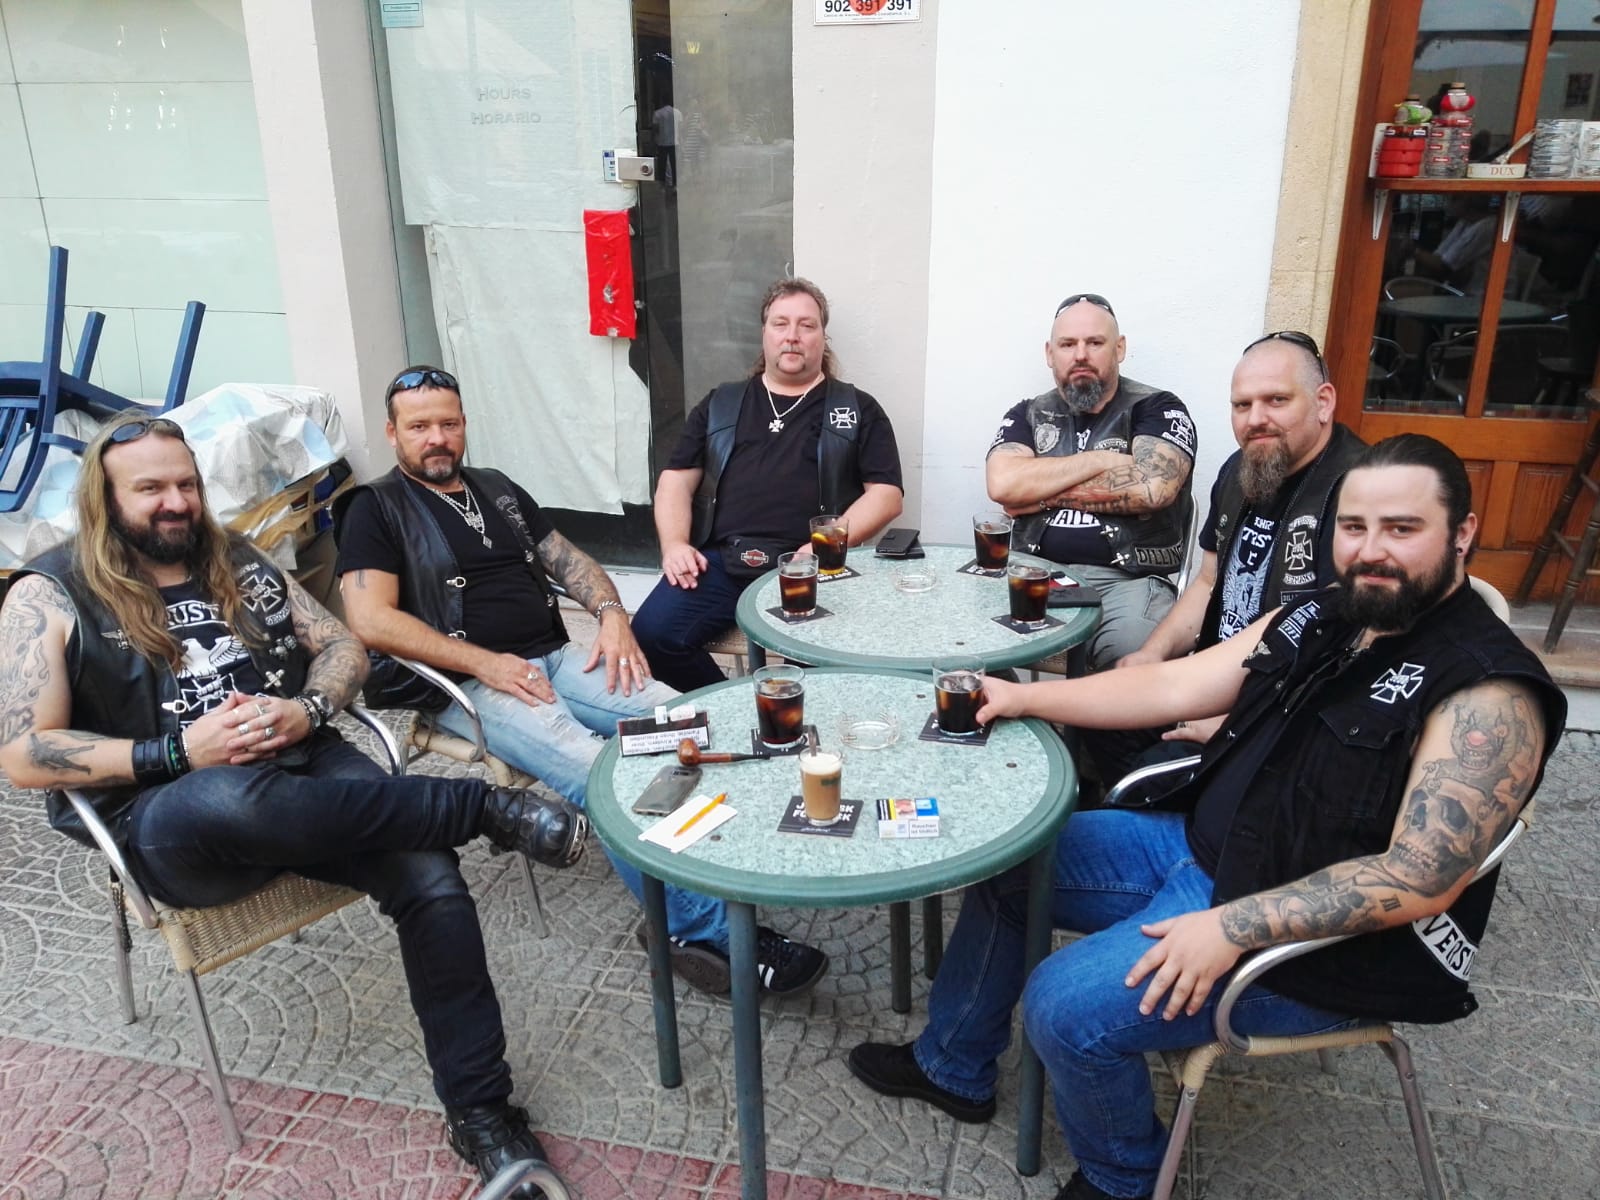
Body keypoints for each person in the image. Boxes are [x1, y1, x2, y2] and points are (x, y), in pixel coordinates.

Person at [848, 435, 1566, 1200]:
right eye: (1354, 527)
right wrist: (1023, 696)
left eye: (1402, 528)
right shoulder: (1329, 611)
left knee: (1063, 1008)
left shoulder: (1489, 691)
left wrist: (1229, 927)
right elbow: (1175, 687)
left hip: (1315, 943)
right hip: (1205, 846)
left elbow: (1420, 878)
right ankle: (953, 1066)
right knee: (1010, 859)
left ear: (1463, 533)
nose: (1370, 551)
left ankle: (1126, 1177)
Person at [0, 414, 590, 1195]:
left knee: (430, 875)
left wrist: (307, 711)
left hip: (305, 769)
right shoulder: (50, 593)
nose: (176, 501)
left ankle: (482, 1115)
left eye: (186, 483)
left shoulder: (235, 558)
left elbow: (344, 645)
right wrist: (179, 753)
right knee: (226, 796)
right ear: (105, 499)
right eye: (150, 488)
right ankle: (479, 809)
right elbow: (23, 754)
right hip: (173, 815)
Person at [335, 367, 828, 998]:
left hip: (556, 659)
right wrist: (483, 662)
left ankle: (722, 861)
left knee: (692, 723)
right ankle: (702, 932)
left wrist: (613, 616)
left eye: (449, 424)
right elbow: (370, 620)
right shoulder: (375, 509)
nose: (437, 438)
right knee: (606, 774)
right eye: (419, 426)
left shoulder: (495, 489)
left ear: (464, 425)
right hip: (469, 686)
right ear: (392, 433)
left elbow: (568, 560)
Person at [1092, 330, 1366, 777]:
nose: (1256, 418)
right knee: (1099, 715)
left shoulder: (1361, 491)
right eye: (1242, 405)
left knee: (1148, 774)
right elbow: (1208, 581)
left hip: (1281, 718)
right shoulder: (1241, 470)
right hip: (1211, 684)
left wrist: (1236, 722)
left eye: (1276, 400)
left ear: (1323, 402)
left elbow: (1348, 649)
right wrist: (1152, 654)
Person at [632, 278, 904, 691]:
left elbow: (886, 495)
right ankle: (742, 708)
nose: (792, 336)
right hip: (722, 561)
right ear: (765, 333)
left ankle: (787, 716)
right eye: (781, 323)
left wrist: (822, 545)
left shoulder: (856, 408)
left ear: (822, 338)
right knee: (653, 634)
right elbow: (674, 481)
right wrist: (674, 545)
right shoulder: (721, 403)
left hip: (813, 567)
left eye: (806, 325)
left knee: (818, 666)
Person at [986, 294, 1196, 670]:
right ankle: (1020, 708)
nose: (1080, 355)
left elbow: (1153, 488)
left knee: (1131, 653)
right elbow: (1003, 485)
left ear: (1119, 348)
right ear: (1050, 354)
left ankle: (1088, 714)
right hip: (1034, 574)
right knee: (966, 631)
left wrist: (1041, 492)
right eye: (1068, 344)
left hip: (1127, 581)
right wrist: (1097, 460)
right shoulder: (1028, 414)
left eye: (1095, 342)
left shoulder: (1157, 407)